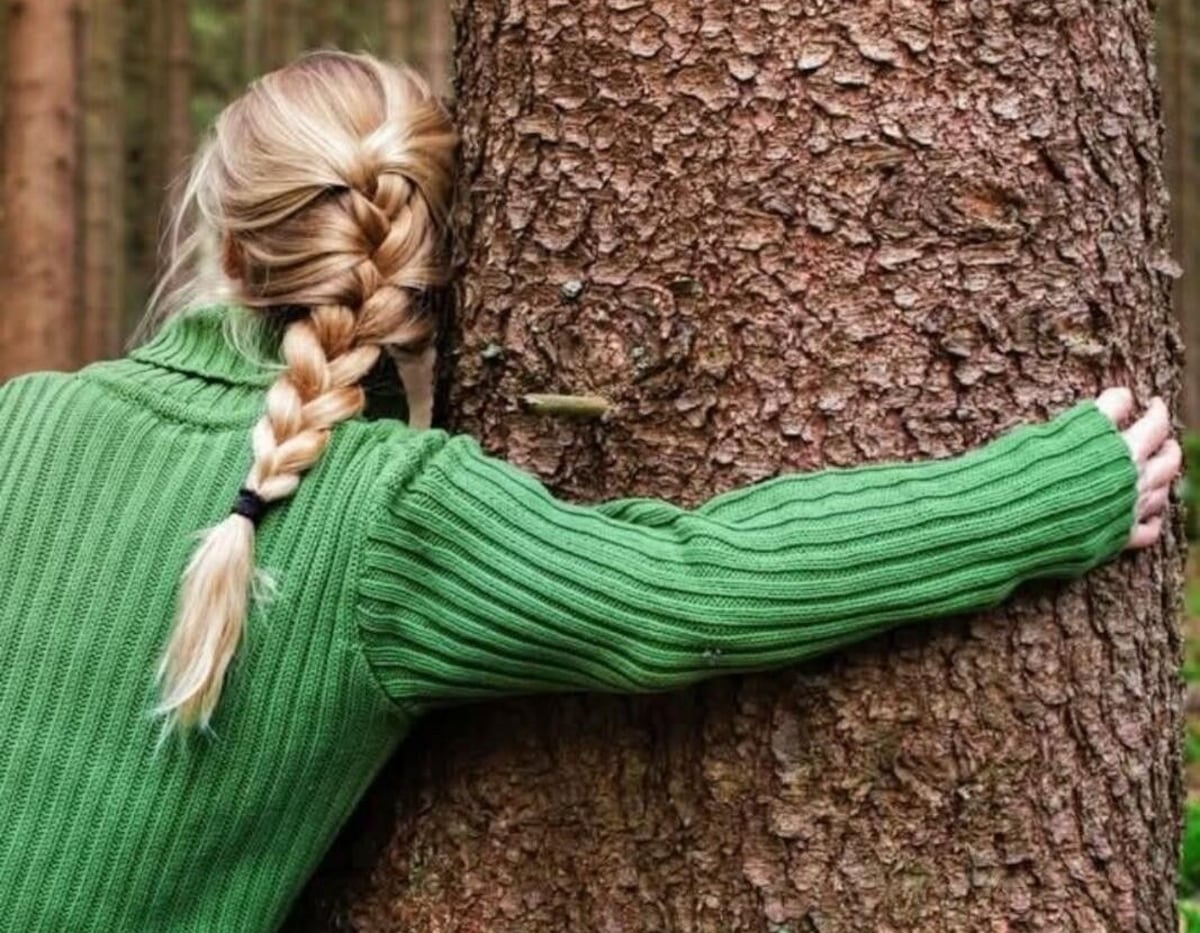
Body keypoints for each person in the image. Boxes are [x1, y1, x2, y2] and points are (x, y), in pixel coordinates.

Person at [0, 50, 1181, 932]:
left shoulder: (20, 422)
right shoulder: (394, 512)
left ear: (232, 246)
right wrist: (1043, 491)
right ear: (420, 278)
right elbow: (691, 590)